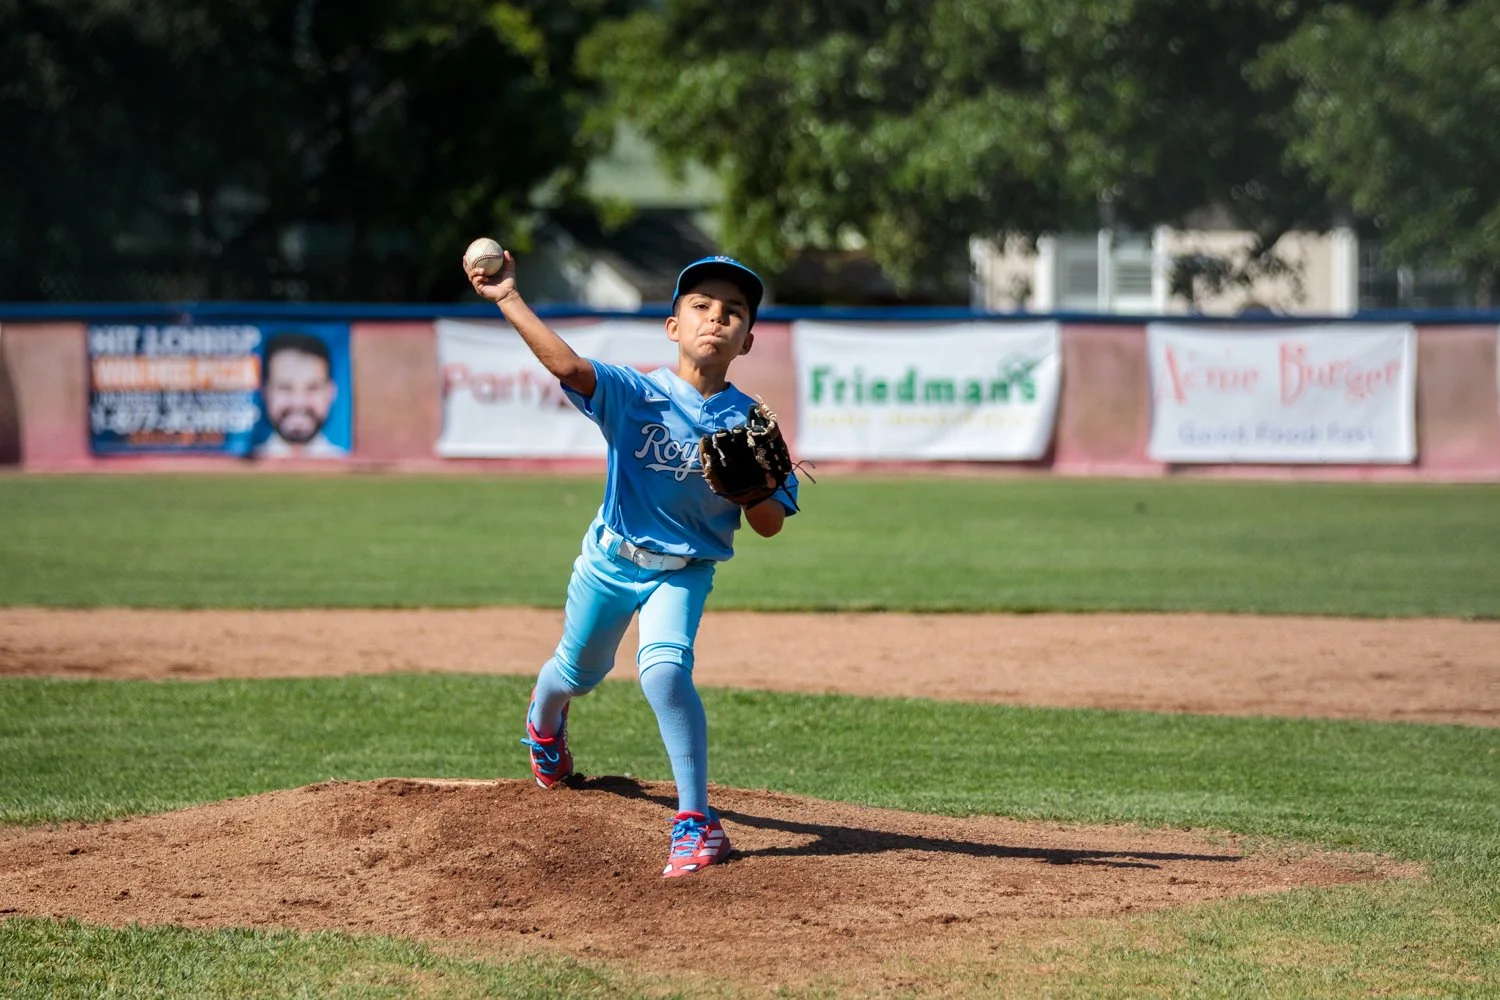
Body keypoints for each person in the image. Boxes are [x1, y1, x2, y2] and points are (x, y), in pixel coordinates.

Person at [465, 249, 798, 878]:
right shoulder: (635, 392)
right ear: (673, 327)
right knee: (576, 673)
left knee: (664, 673)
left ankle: (696, 824)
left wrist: (749, 490)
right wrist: (507, 295)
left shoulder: (753, 424)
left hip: (686, 568)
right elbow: (567, 365)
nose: (714, 319)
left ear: (748, 340)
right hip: (611, 560)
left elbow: (769, 523)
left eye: (732, 313)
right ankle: (544, 724)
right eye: (699, 306)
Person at [255, 332, 348, 458]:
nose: (298, 403)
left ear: (331, 392)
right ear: (265, 392)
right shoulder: (238, 469)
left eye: (312, 388)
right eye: (285, 388)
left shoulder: (345, 464)